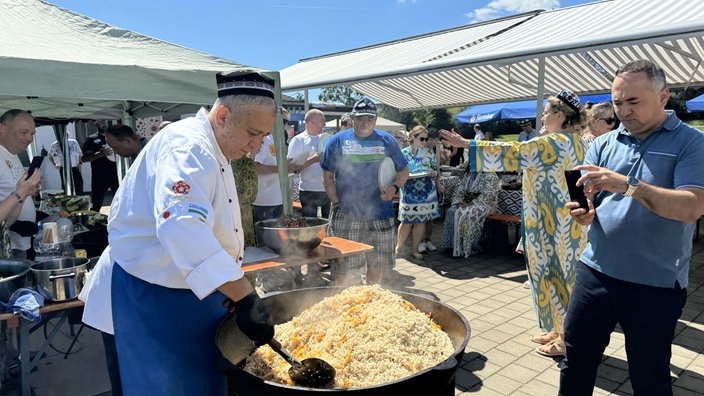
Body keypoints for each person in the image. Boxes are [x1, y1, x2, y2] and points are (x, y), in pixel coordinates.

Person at [79, 70, 277, 396]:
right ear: (224, 116)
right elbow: (181, 225)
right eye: (254, 134)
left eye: (263, 138)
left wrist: (227, 284)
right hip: (148, 294)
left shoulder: (217, 145)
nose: (256, 148)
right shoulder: (188, 148)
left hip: (183, 292)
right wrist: (243, 294)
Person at [559, 60, 704, 396]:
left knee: (649, 378)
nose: (623, 111)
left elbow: (691, 208)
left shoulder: (691, 143)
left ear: (663, 96)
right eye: (618, 102)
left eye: (633, 102)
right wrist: (584, 212)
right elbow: (592, 203)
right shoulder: (603, 144)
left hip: (655, 282)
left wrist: (628, 185)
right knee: (576, 362)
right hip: (595, 271)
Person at [441, 89, 588, 358]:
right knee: (553, 276)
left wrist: (468, 145)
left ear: (558, 116)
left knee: (560, 278)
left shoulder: (554, 142)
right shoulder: (574, 141)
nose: (541, 118)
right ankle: (557, 329)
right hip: (556, 221)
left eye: (544, 113)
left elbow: (515, 151)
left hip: (555, 225)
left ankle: (566, 338)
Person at [321, 97, 409, 286]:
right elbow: (327, 176)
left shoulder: (387, 140)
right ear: (352, 118)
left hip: (381, 214)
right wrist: (336, 202)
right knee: (344, 269)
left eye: (370, 118)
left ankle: (370, 303)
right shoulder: (337, 141)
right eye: (360, 118)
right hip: (347, 214)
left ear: (375, 120)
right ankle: (345, 305)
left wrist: (394, 188)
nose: (365, 122)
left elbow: (403, 171)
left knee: (377, 266)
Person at [0, 110, 42, 259]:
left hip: (15, 245)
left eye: (32, 134)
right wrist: (19, 194)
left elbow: (8, 219)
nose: (29, 138)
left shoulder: (13, 153)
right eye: (24, 132)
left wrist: (26, 192)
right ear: (3, 129)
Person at [395, 126, 440, 260]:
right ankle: (398, 247)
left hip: (426, 192)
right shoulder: (403, 153)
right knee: (406, 221)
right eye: (421, 138)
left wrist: (433, 173)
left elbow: (435, 170)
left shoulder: (429, 153)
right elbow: (397, 171)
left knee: (421, 221)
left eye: (426, 139)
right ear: (412, 138)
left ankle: (415, 250)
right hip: (409, 191)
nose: (424, 141)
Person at [287, 109, 330, 219]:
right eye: (322, 121)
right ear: (311, 122)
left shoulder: (326, 139)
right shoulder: (298, 140)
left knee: (328, 224)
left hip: (327, 189)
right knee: (310, 224)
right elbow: (291, 168)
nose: (325, 124)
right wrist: (314, 159)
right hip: (308, 190)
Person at [82, 120, 119, 211]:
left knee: (120, 202)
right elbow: (84, 159)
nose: (104, 123)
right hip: (99, 177)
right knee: (96, 205)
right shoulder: (91, 140)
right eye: (101, 121)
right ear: (96, 123)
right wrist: (100, 154)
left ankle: (120, 223)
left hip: (116, 175)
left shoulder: (115, 137)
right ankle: (94, 224)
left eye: (105, 120)